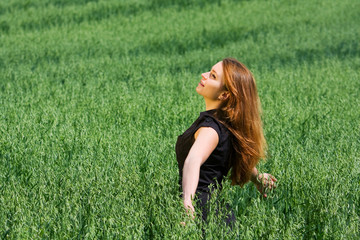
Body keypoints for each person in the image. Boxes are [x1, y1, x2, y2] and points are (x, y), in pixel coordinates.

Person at [175, 57, 277, 226]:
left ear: (224, 95)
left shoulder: (210, 130)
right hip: (216, 212)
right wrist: (258, 178)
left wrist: (187, 203)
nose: (204, 75)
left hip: (202, 213)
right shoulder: (225, 125)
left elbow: (193, 160)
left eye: (213, 76)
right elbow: (235, 154)